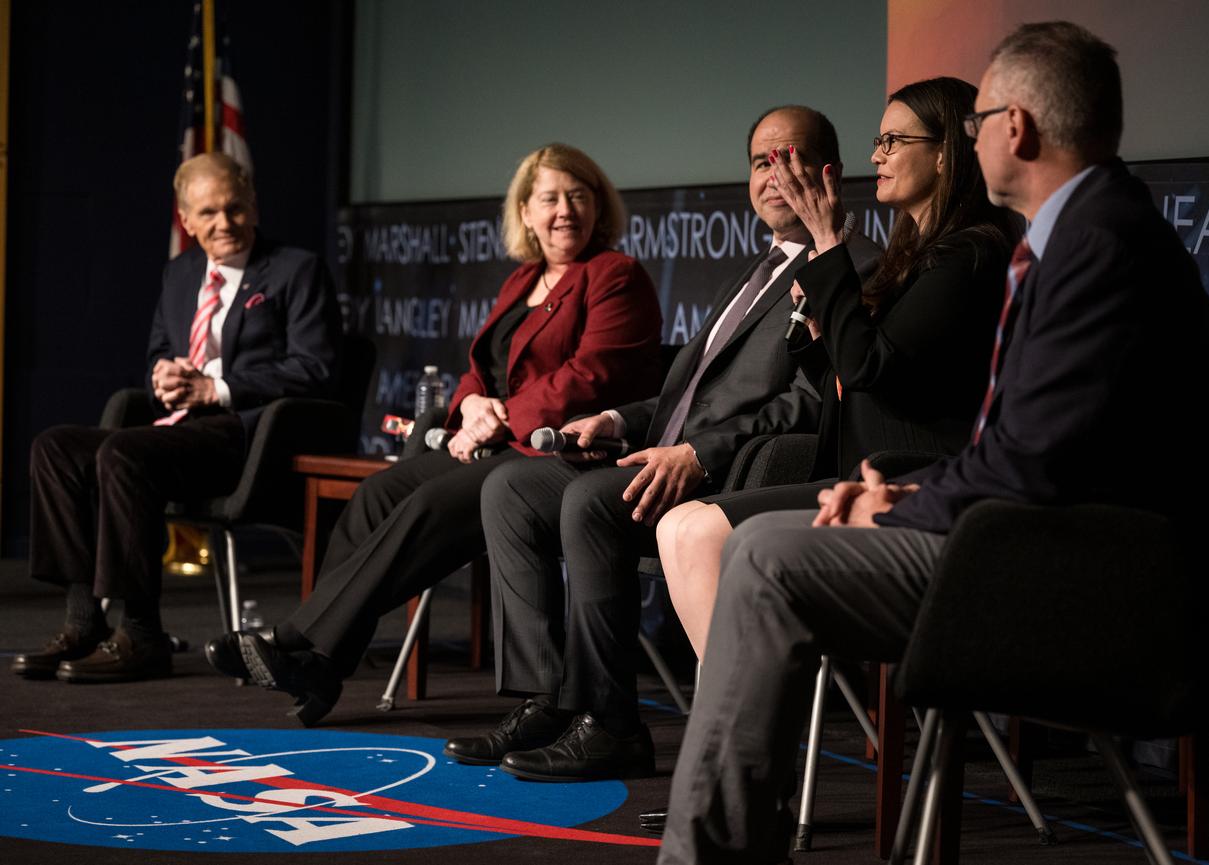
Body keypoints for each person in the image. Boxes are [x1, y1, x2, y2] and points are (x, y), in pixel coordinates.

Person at [658, 21, 1209, 864]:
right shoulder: (1082, 233)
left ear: (1019, 128)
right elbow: (1024, 439)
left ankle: (710, 852)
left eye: (977, 122)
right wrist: (905, 491)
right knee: (762, 545)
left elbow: (1036, 461)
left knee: (767, 558)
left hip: (1080, 570)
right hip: (1034, 532)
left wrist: (915, 500)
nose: (973, 137)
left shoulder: (1097, 247)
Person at [204, 143, 664, 726]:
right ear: (525, 212)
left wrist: (500, 416)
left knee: (425, 504)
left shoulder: (614, 276)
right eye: (549, 198)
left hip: (560, 456)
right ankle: (322, 663)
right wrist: (470, 401)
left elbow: (595, 374)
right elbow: (480, 365)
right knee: (377, 495)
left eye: (578, 196)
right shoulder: (523, 280)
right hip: (498, 442)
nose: (564, 210)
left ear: (599, 206)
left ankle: (302, 640)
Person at [444, 105, 838, 783]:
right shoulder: (754, 271)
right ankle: (550, 699)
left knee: (592, 504)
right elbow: (687, 392)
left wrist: (699, 453)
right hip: (655, 452)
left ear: (828, 171)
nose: (774, 175)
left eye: (790, 158)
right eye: (759, 163)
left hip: (731, 473)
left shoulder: (844, 266)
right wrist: (619, 420)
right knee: (510, 486)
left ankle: (612, 724)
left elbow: (810, 399)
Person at [657, 77, 1017, 662]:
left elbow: (872, 368)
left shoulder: (967, 256)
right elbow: (845, 375)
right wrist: (821, 325)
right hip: (859, 471)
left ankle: (738, 731)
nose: (877, 155)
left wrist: (826, 242)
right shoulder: (910, 258)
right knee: (677, 526)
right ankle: (728, 720)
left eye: (894, 140)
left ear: (946, 152)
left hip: (910, 482)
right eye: (878, 140)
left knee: (700, 532)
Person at [11, 152, 341, 684]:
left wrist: (218, 388)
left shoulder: (295, 269)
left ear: (253, 206)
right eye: (208, 213)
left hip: (246, 435)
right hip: (179, 430)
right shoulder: (181, 271)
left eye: (235, 209)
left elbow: (316, 368)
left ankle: (142, 634)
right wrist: (162, 376)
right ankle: (83, 620)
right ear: (186, 220)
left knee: (123, 452)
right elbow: (159, 353)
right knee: (55, 447)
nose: (224, 224)